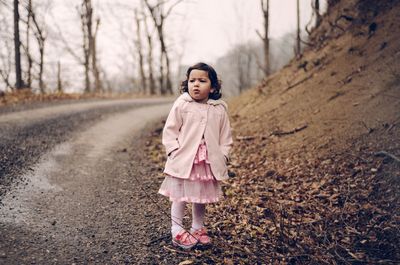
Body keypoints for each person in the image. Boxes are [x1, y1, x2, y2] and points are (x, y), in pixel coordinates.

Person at [158, 62, 233, 249]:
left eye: (202, 80)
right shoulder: (182, 105)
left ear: (213, 86)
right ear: (187, 84)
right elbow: (170, 130)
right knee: (180, 195)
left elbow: (225, 137)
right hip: (184, 160)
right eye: (192, 80)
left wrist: (223, 155)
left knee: (201, 196)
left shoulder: (219, 109)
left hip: (206, 162)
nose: (196, 84)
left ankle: (197, 228)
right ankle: (176, 230)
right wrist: (173, 150)